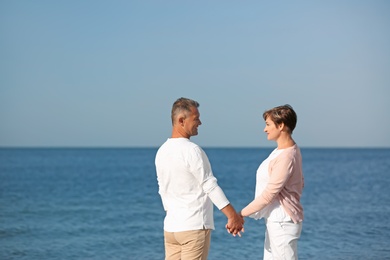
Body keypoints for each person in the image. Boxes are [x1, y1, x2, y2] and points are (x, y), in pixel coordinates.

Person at [155, 97, 244, 260]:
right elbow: (209, 185)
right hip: (193, 227)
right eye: (196, 118)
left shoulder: (162, 151)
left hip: (172, 228)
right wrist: (232, 216)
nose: (200, 123)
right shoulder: (192, 150)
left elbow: (162, 189)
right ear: (181, 120)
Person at [240, 104, 304, 260]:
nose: (265, 129)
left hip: (282, 222)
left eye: (268, 124)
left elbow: (269, 194)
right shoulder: (282, 151)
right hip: (276, 220)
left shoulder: (286, 156)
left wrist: (239, 214)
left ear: (281, 125)